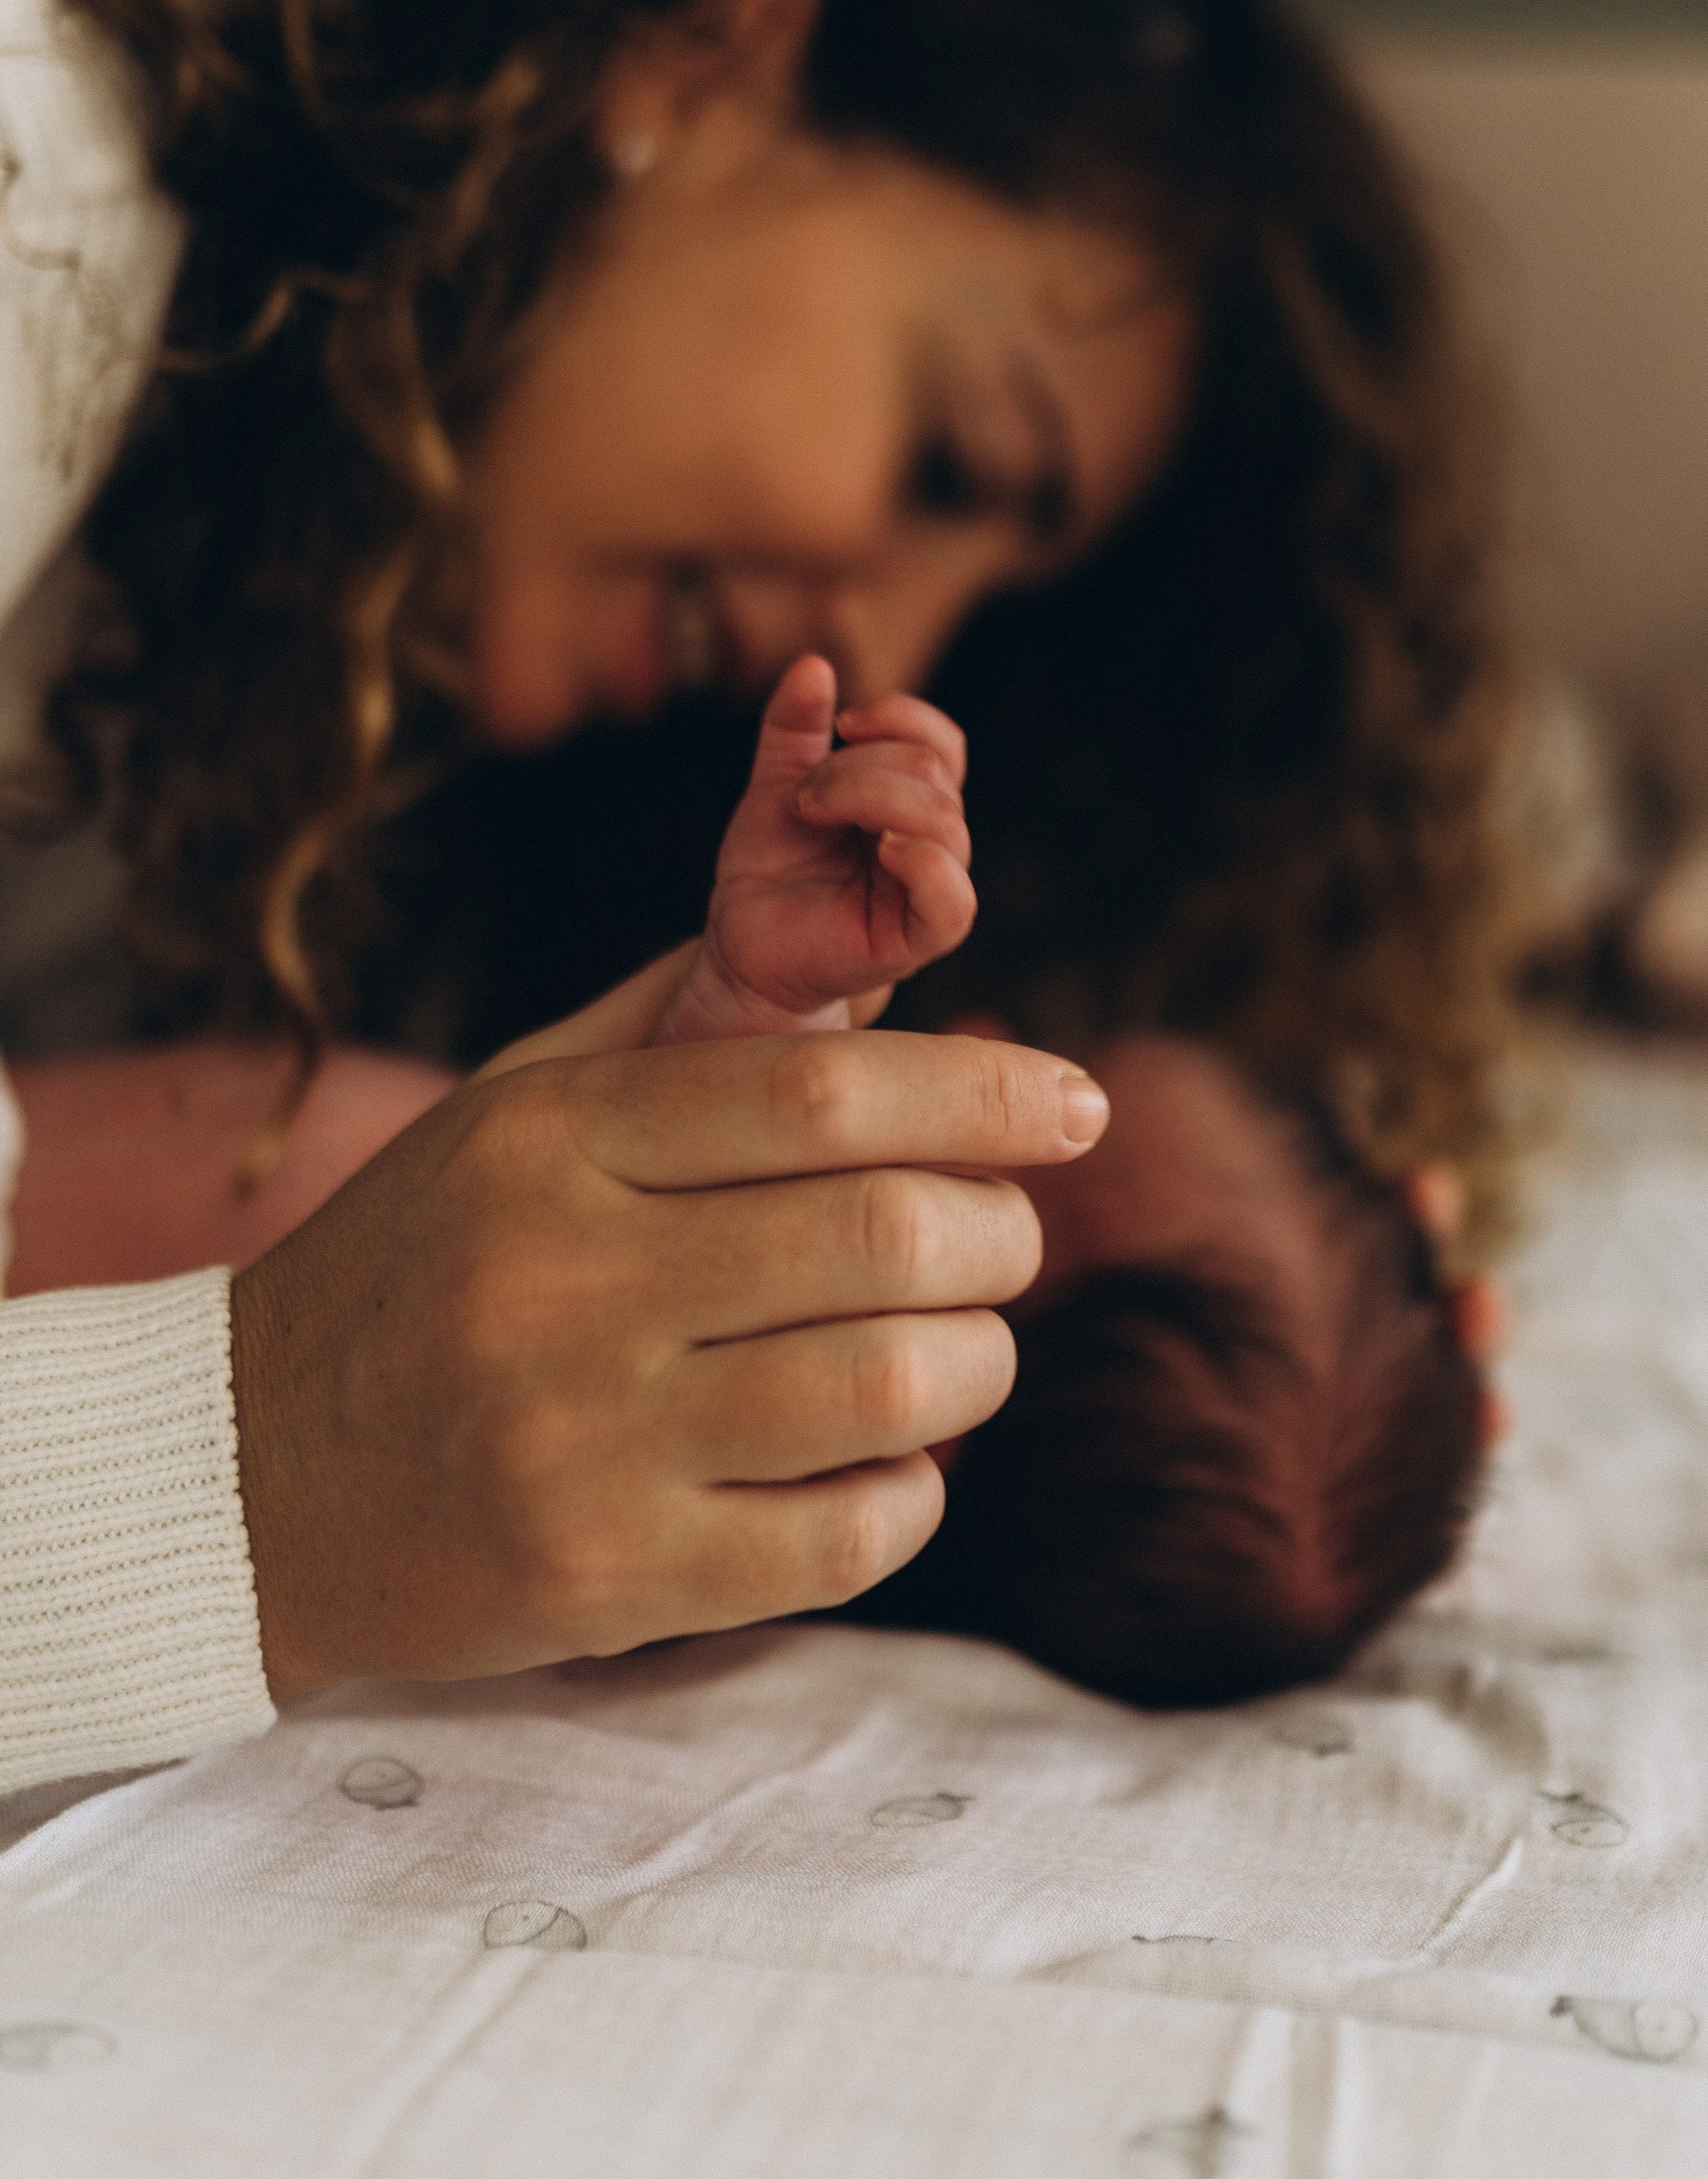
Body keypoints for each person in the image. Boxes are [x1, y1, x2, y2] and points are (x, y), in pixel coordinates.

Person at [0, 0, 1513, 1795]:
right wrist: (274, 1468)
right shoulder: (37, 219)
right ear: (705, 50)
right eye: (949, 461)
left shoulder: (301, 753)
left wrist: (1321, 1377)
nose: (884, 652)